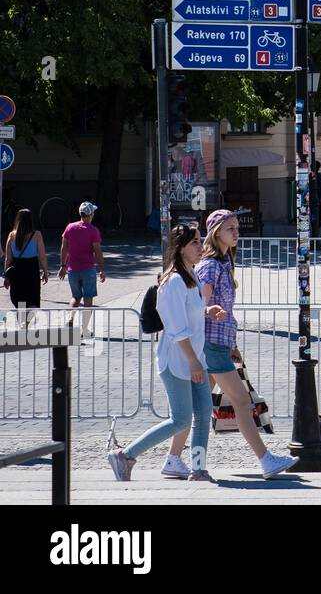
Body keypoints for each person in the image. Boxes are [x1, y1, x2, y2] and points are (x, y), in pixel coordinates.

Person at [195, 210, 297, 478]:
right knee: (241, 401)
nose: (236, 232)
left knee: (195, 408)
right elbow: (198, 304)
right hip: (211, 344)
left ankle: (162, 457)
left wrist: (232, 343)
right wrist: (208, 312)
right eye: (230, 228)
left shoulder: (224, 263)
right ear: (216, 232)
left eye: (237, 227)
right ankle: (266, 460)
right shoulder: (210, 266)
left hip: (219, 343)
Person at [108, 224, 213, 482]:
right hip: (179, 361)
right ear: (180, 248)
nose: (201, 247)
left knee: (203, 413)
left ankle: (198, 469)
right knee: (180, 420)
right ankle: (126, 454)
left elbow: (189, 315)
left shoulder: (192, 276)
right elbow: (177, 328)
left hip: (194, 358)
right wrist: (193, 362)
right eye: (195, 243)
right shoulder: (174, 281)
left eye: (200, 241)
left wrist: (208, 312)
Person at [59, 202, 105, 340]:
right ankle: (84, 329)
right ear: (91, 214)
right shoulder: (93, 230)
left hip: (72, 269)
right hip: (88, 269)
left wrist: (62, 265)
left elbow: (63, 247)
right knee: (88, 299)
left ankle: (70, 319)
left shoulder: (70, 228)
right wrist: (102, 268)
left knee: (75, 297)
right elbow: (97, 250)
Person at [4, 209, 49, 326]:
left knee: (20, 302)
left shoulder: (11, 235)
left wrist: (6, 276)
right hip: (31, 270)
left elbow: (8, 259)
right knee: (33, 301)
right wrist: (45, 271)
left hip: (16, 271)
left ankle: (22, 326)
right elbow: (42, 256)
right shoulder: (36, 235)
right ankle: (25, 324)